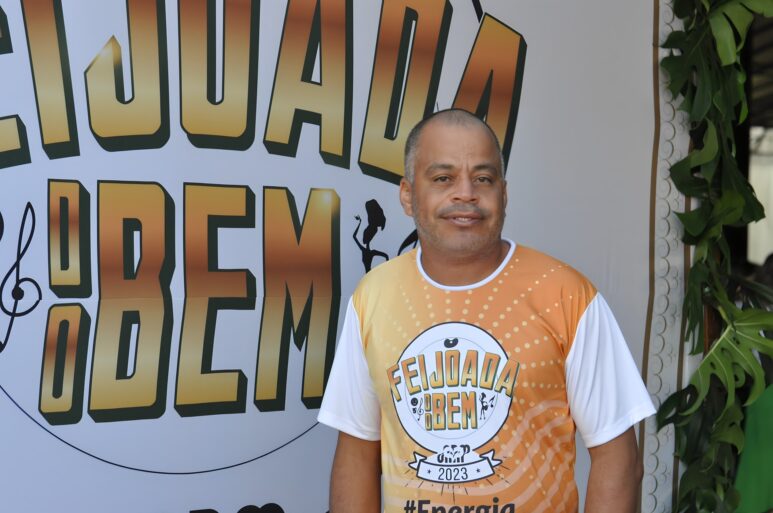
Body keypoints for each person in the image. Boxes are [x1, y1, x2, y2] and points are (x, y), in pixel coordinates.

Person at [318, 109, 655, 513]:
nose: (466, 194)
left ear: (504, 194)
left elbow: (618, 458)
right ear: (407, 195)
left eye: (483, 178)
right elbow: (356, 452)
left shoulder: (567, 295)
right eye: (443, 178)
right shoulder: (373, 296)